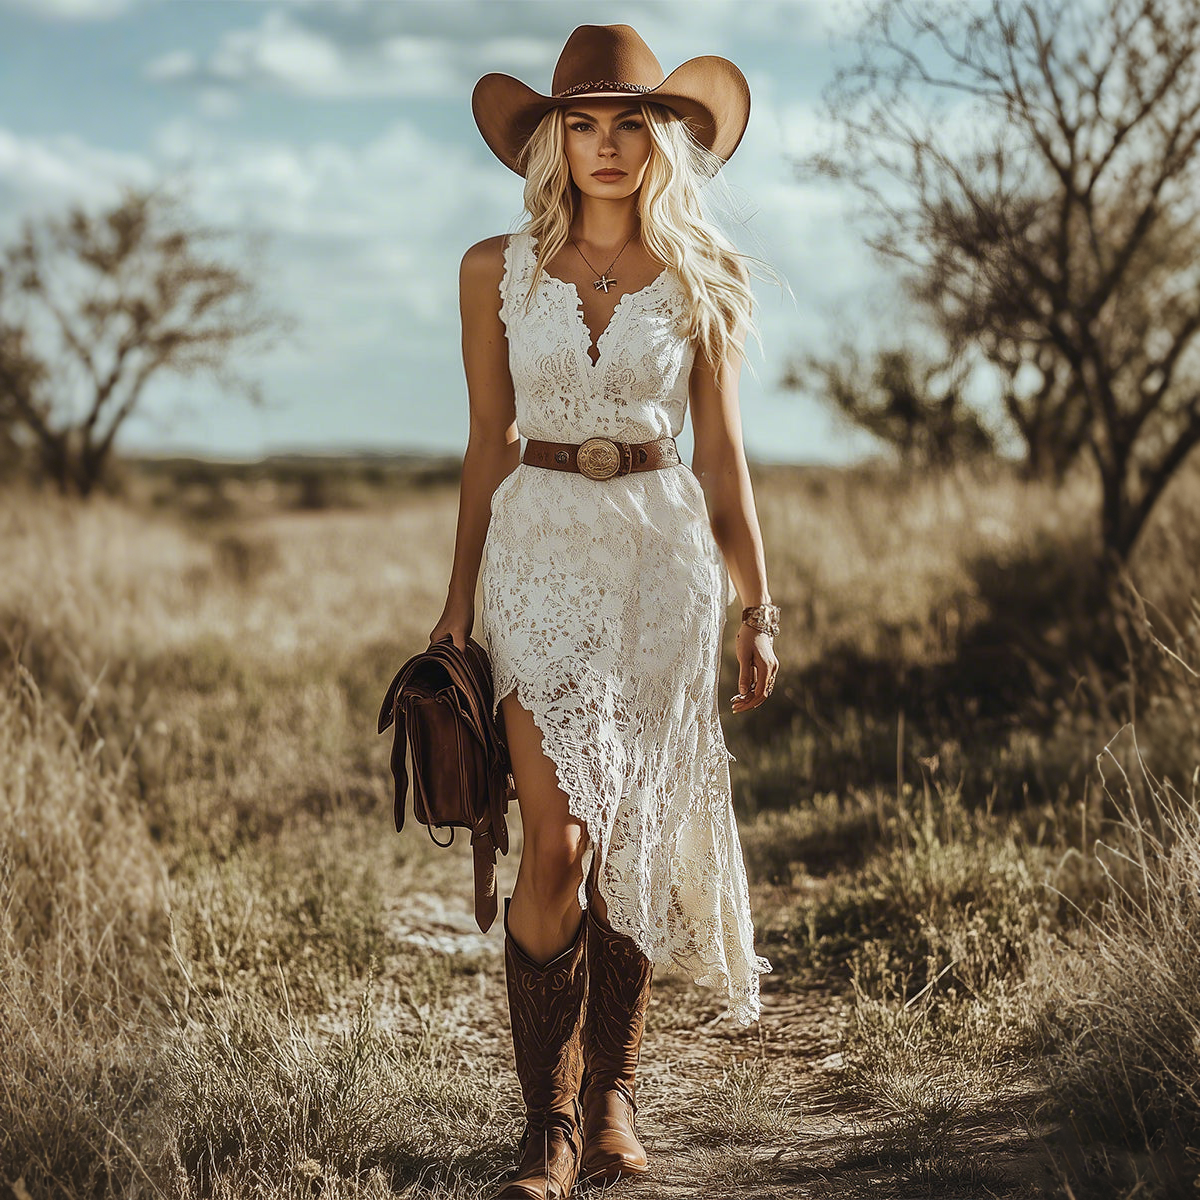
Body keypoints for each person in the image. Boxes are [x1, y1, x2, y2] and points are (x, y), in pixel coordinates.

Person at [428, 23, 778, 1200]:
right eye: (585, 123)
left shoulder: (701, 277)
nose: (611, 146)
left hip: (661, 562)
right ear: (552, 140)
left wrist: (757, 606)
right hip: (538, 554)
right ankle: (547, 1127)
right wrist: (454, 606)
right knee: (558, 844)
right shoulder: (495, 268)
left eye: (633, 122)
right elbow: (486, 442)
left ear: (664, 140)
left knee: (627, 843)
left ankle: (614, 1100)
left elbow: (724, 461)